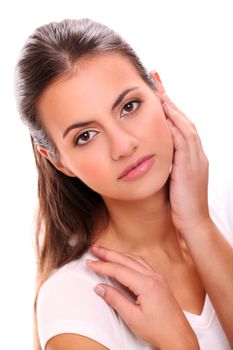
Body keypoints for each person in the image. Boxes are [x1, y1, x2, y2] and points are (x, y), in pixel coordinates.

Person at [14, 18, 233, 350]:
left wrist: (198, 226)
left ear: (158, 90)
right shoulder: (76, 303)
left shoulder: (225, 206)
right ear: (59, 161)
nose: (123, 145)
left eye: (129, 106)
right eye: (85, 136)